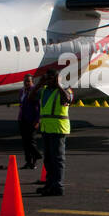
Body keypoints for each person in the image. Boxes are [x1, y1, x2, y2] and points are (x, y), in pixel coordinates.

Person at [36, 68, 75, 196]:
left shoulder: (65, 90)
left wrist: (58, 84)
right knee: (48, 160)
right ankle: (49, 184)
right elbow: (30, 98)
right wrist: (39, 84)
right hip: (46, 129)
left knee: (57, 159)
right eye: (46, 78)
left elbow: (68, 99)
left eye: (50, 78)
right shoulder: (44, 91)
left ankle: (58, 186)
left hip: (58, 129)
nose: (48, 80)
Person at [17, 75, 42, 169]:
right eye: (25, 81)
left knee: (31, 141)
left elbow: (38, 107)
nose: (26, 83)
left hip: (32, 120)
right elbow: (21, 104)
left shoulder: (35, 91)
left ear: (32, 82)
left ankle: (35, 158)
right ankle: (28, 161)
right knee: (25, 142)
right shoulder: (22, 91)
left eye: (28, 81)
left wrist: (37, 120)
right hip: (22, 119)